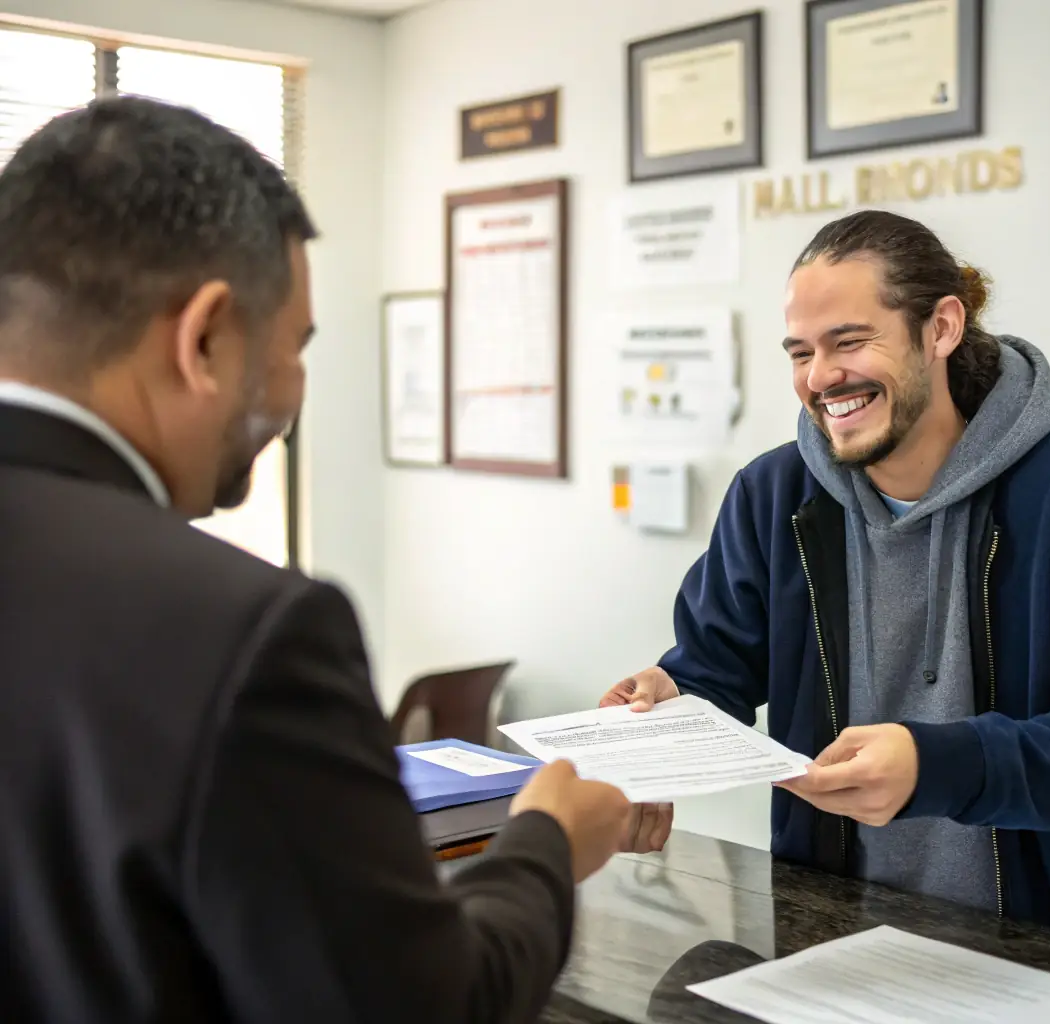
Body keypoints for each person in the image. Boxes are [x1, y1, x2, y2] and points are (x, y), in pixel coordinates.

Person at [0, 96, 630, 1023]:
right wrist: (542, 843)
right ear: (206, 337)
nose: (293, 390)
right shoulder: (242, 632)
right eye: (294, 346)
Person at [600, 210, 1050, 950]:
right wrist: (667, 716)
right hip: (831, 936)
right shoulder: (772, 497)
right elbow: (715, 669)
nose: (820, 378)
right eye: (800, 352)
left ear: (941, 328)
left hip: (1047, 947)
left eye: (848, 341)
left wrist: (936, 764)